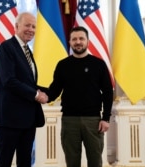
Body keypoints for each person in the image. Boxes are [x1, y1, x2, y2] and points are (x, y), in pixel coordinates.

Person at [47, 26, 114, 167]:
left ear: (87, 41)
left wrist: (106, 118)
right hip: (69, 121)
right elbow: (53, 91)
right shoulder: (63, 65)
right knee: (72, 162)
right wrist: (36, 92)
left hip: (94, 121)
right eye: (74, 39)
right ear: (70, 42)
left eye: (81, 38)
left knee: (95, 162)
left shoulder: (99, 64)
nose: (78, 42)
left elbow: (108, 93)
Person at [0, 12, 48, 167]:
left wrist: (52, 91)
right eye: (27, 25)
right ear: (16, 26)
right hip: (9, 119)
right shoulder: (6, 48)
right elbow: (9, 81)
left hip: (27, 120)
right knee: (4, 161)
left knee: (25, 162)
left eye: (34, 26)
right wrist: (36, 95)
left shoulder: (27, 50)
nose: (31, 29)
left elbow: (28, 82)